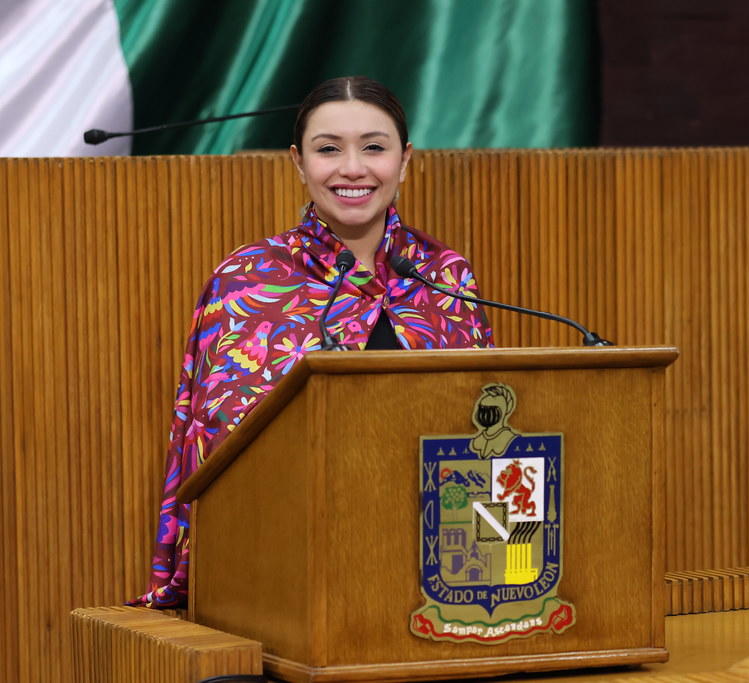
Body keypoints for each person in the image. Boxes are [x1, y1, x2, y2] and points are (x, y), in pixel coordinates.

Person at [132, 76, 494, 608]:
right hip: (282, 563)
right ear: (299, 163)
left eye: (374, 147)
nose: (353, 168)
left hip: (436, 565)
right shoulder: (248, 277)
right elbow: (218, 448)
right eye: (329, 150)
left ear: (405, 159)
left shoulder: (444, 274)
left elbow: (480, 430)